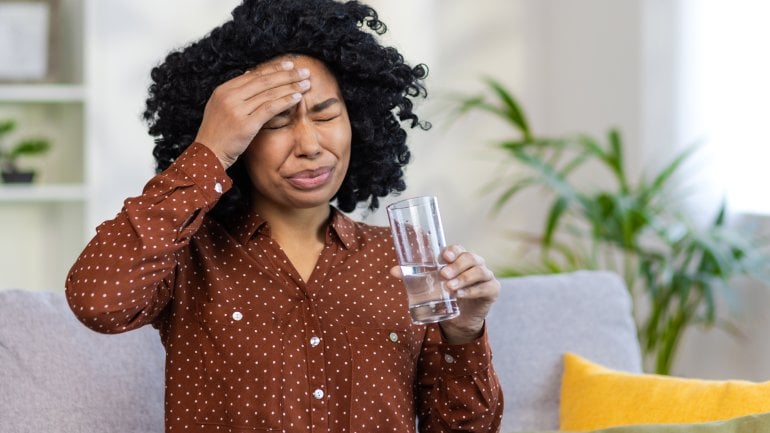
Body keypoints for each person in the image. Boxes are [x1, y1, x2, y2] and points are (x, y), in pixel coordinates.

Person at [65, 0, 503, 432]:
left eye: (326, 113)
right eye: (275, 123)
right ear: (239, 136)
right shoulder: (186, 256)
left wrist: (463, 333)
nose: (310, 144)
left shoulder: (406, 259)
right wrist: (209, 151)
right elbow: (98, 303)